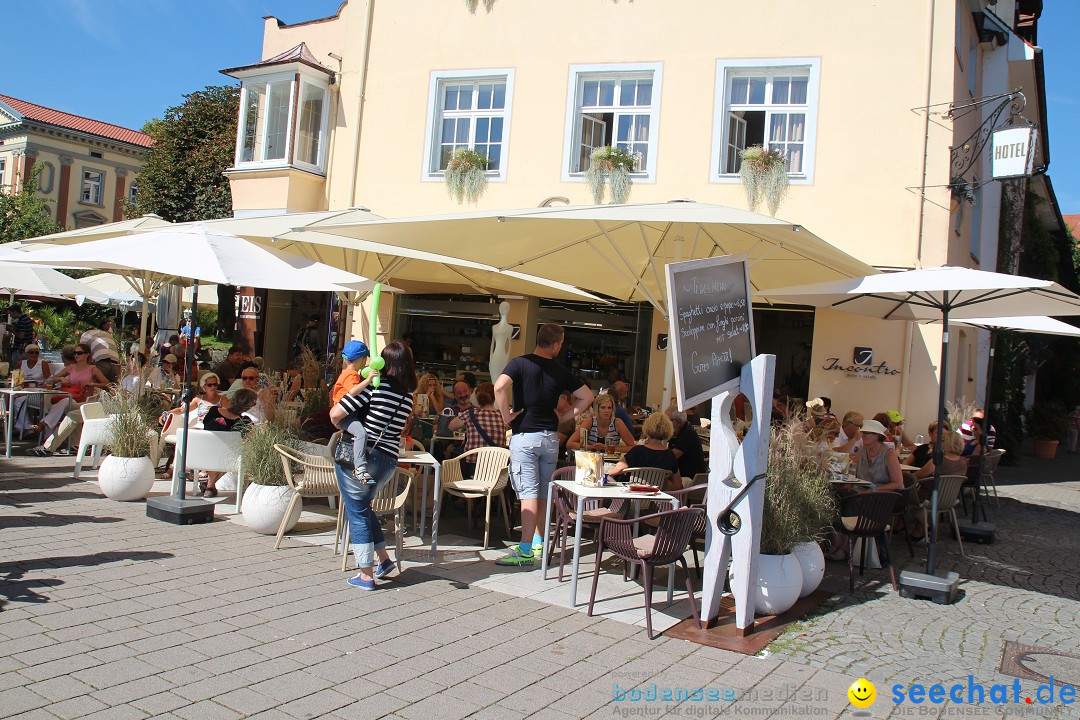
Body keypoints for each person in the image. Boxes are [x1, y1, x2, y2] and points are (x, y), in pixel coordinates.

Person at [493, 323, 594, 566]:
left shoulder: (519, 363)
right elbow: (587, 397)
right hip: (550, 438)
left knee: (527, 493)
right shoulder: (560, 371)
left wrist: (506, 415)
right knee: (542, 492)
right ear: (557, 343)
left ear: (539, 339)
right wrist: (565, 416)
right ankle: (539, 542)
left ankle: (525, 549)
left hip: (525, 436)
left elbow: (499, 387)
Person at [329, 340, 416, 590]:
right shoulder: (408, 397)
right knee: (364, 507)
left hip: (361, 457)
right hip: (388, 459)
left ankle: (366, 574)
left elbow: (336, 414)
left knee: (356, 511)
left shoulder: (373, 388)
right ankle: (385, 560)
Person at [30, 344, 110, 456]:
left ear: (87, 355)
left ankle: (43, 425)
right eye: (75, 353)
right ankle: (75, 444)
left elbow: (108, 384)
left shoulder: (93, 369)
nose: (76, 355)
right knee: (67, 403)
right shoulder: (71, 368)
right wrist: (61, 378)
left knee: (67, 405)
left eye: (79, 353)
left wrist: (91, 383)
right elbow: (52, 379)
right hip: (70, 399)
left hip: (84, 402)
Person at [907, 429, 968, 540]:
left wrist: (905, 473)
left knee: (904, 496)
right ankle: (920, 529)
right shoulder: (963, 462)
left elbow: (916, 476)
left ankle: (926, 526)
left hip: (930, 496)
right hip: (950, 498)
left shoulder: (938, 460)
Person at [200, 389, 259, 498]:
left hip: (204, 455)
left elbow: (205, 426)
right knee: (230, 453)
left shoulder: (213, 411)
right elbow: (246, 440)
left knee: (219, 451)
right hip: (228, 459)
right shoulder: (244, 421)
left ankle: (209, 486)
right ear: (248, 406)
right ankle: (210, 486)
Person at [448, 382, 508, 477]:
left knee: (453, 454)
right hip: (497, 470)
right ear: (494, 398)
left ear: (477, 398)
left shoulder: (470, 414)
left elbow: (451, 426)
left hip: (473, 468)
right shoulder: (503, 416)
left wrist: (467, 426)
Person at [609, 412, 681, 490]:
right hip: (656, 499)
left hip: (631, 497)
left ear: (647, 427)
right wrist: (656, 483)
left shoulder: (637, 451)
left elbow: (613, 471)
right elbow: (678, 485)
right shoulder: (670, 455)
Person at [566, 392, 635, 455]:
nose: (606, 411)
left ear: (612, 410)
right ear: (597, 409)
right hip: (591, 460)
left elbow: (633, 447)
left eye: (609, 408)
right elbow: (570, 444)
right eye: (603, 407)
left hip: (612, 461)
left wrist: (609, 449)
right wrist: (592, 447)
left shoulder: (617, 423)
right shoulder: (590, 422)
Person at [852, 419, 905, 492]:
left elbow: (898, 484)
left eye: (866, 433)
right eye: (862, 433)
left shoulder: (889, 453)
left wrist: (872, 490)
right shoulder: (861, 449)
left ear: (877, 435)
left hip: (881, 497)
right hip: (860, 492)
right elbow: (852, 470)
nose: (863, 436)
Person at [11, 344, 52, 433]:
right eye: (31, 352)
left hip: (38, 392)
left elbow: (49, 379)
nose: (34, 354)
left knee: (18, 401)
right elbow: (14, 377)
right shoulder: (21, 363)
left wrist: (43, 385)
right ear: (25, 354)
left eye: (36, 352)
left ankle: (25, 426)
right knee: (12, 398)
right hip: (24, 390)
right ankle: (16, 425)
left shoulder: (42, 363)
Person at [668, 410, 707, 480]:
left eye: (669, 420)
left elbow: (672, 457)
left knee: (662, 483)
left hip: (691, 479)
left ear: (678, 422)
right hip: (682, 474)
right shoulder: (678, 432)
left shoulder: (688, 433)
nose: (666, 424)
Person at [80, 318, 121, 383]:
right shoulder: (107, 335)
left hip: (101, 362)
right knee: (112, 389)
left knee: (97, 387)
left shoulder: (86, 335)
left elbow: (82, 353)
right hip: (115, 363)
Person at [489, 301, 512, 379]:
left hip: (503, 356)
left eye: (505, 308)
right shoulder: (494, 327)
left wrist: (507, 357)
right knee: (494, 378)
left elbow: (509, 345)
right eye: (501, 308)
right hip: (495, 356)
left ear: (508, 310)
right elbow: (492, 343)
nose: (502, 310)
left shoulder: (509, 328)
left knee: (501, 377)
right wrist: (491, 357)